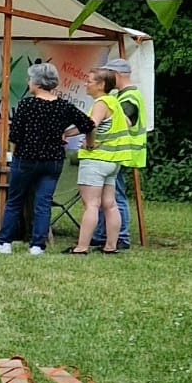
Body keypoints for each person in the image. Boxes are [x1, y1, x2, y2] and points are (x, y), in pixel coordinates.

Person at [0, 62, 92, 255]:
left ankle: (4, 242)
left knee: (14, 201)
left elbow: (16, 135)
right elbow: (88, 124)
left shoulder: (27, 104)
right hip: (53, 161)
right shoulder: (64, 106)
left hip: (26, 159)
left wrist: (14, 154)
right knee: (43, 203)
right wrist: (68, 134)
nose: (28, 82)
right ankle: (37, 245)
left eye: (30, 79)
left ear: (36, 83)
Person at [72, 62, 146, 256]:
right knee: (110, 204)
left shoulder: (101, 103)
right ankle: (111, 246)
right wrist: (69, 132)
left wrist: (88, 143)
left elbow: (90, 125)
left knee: (91, 205)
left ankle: (82, 247)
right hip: (113, 160)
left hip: (96, 159)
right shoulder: (115, 102)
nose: (86, 84)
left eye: (89, 81)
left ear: (101, 84)